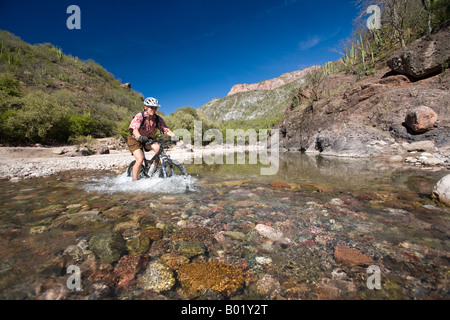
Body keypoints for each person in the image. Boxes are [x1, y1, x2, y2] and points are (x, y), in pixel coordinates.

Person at [127, 97, 175, 181]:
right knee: (140, 159)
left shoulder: (157, 119)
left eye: (155, 108)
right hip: (134, 138)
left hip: (147, 139)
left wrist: (174, 136)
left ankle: (155, 168)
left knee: (158, 148)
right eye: (151, 107)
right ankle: (134, 180)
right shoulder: (140, 116)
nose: (153, 109)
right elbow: (134, 129)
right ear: (146, 107)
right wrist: (139, 137)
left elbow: (165, 129)